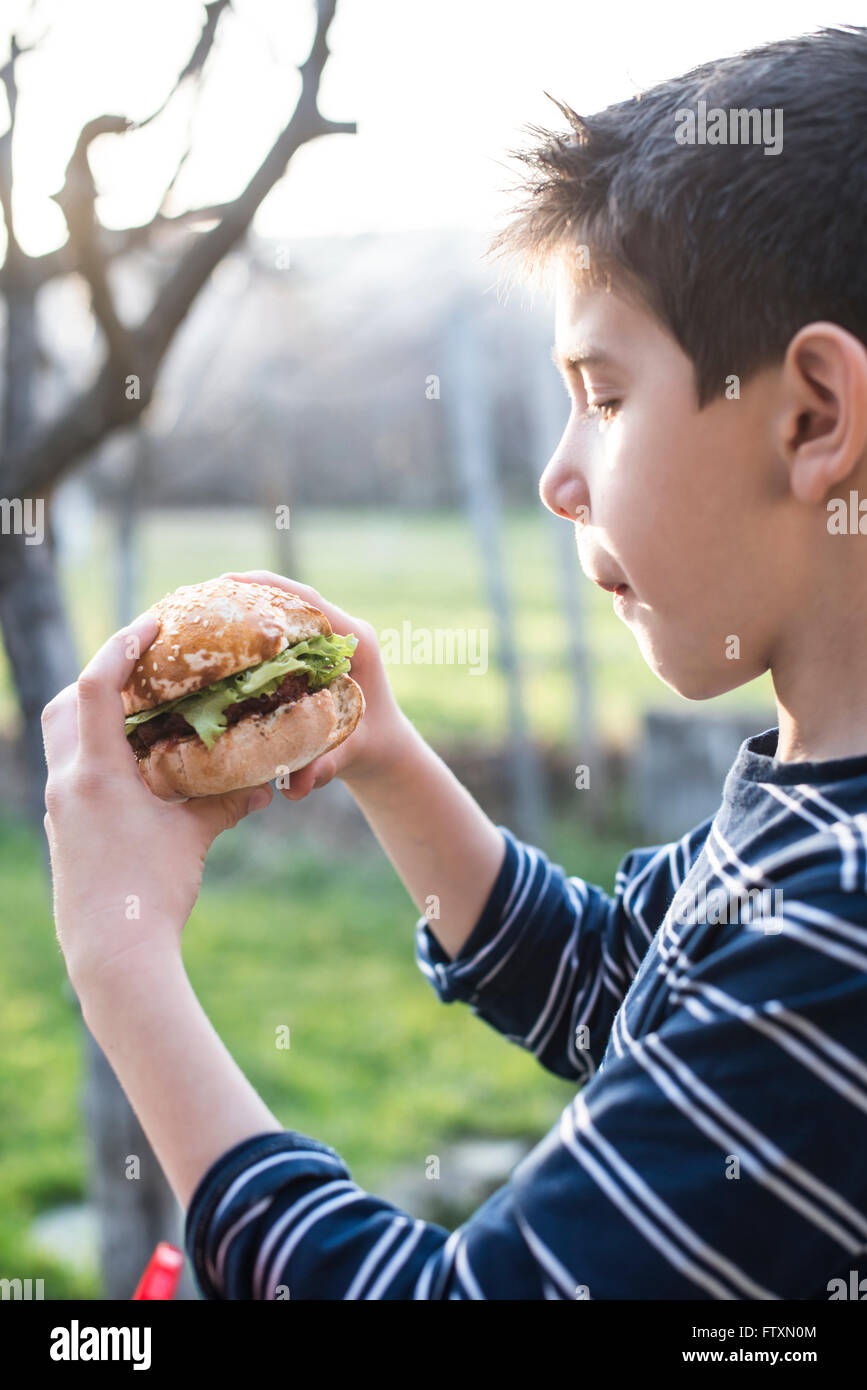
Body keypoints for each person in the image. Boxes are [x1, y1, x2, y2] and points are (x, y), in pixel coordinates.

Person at [43, 23, 867, 1299]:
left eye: (602, 395)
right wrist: (382, 749)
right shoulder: (818, 819)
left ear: (813, 416)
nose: (558, 476)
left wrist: (122, 963)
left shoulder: (836, 925)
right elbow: (608, 989)